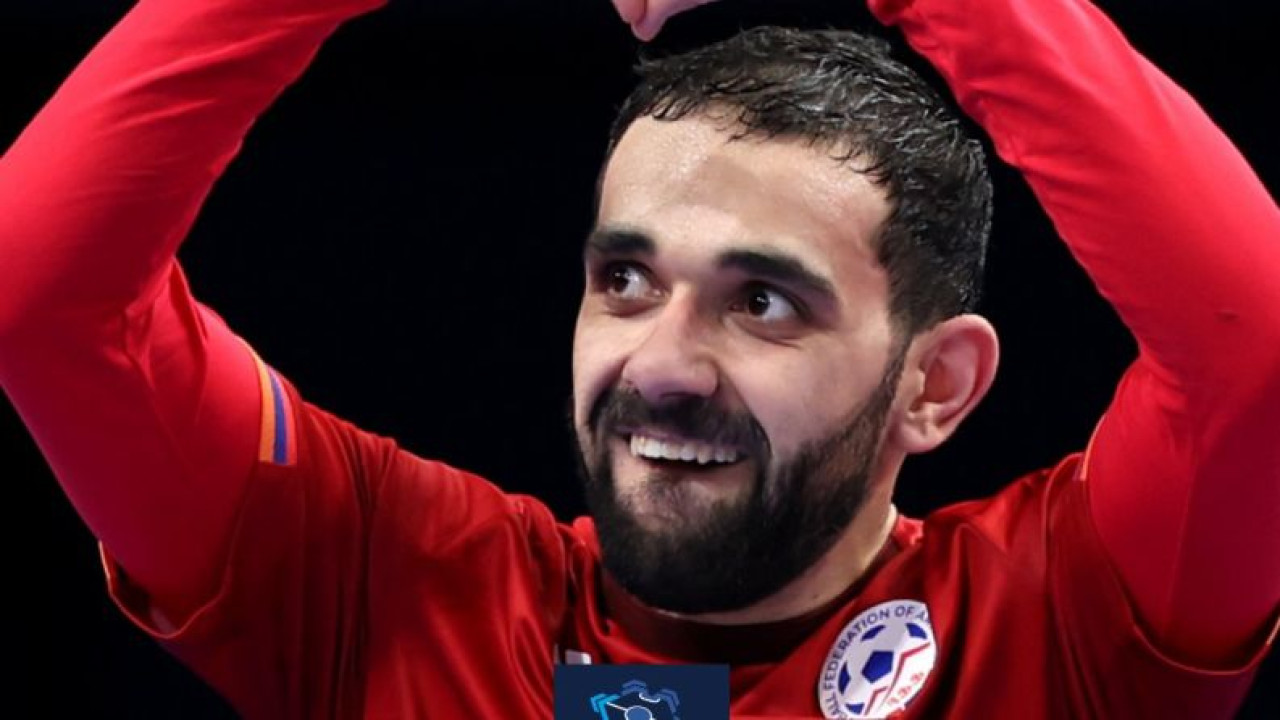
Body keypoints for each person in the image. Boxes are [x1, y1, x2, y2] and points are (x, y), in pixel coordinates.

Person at [1, 0, 1276, 717]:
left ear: (931, 385)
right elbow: (42, 301)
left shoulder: (1056, 624)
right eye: (625, 281)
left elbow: (1257, 356)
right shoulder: (391, 587)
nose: (663, 365)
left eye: (761, 302)